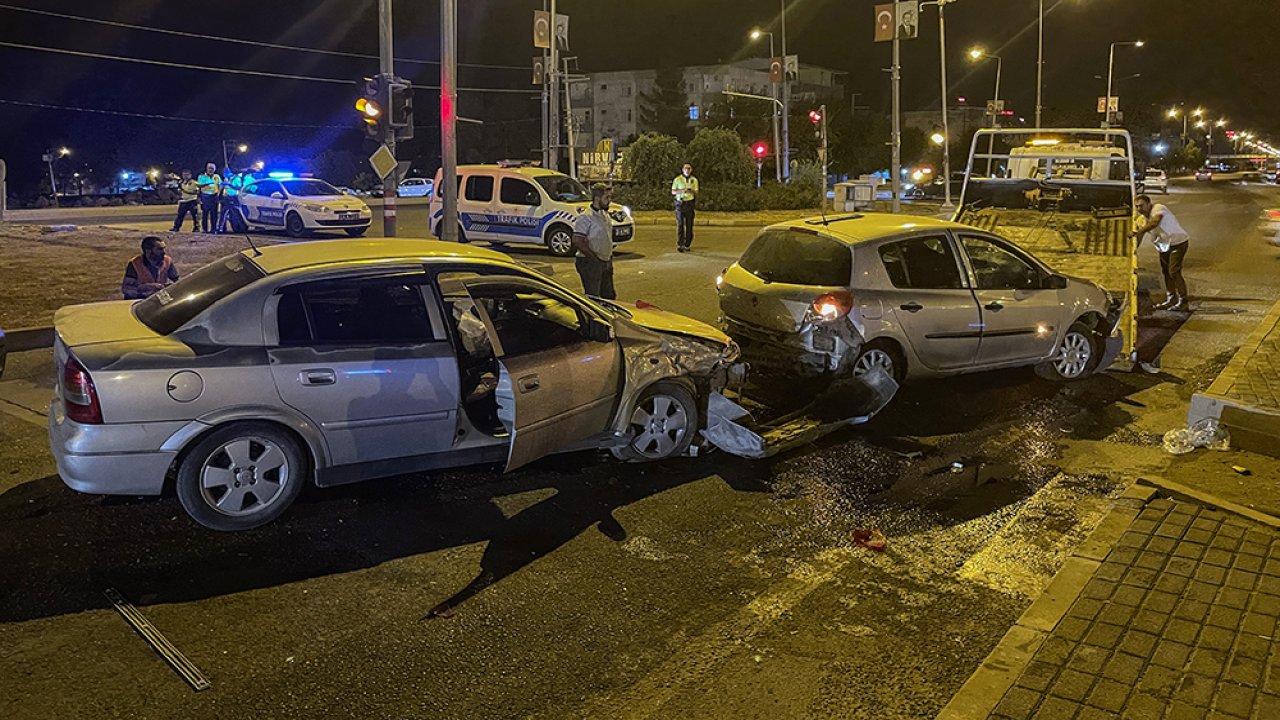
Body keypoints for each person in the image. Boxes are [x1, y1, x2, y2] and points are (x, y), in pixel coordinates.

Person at [1131, 194, 1190, 311]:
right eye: (1137, 206)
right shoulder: (1141, 220)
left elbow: (1155, 223)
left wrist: (1138, 232)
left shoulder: (1158, 208)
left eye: (1142, 206)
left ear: (1149, 204)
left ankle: (1183, 301)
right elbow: (1139, 236)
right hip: (1163, 246)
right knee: (1166, 273)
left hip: (1177, 242)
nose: (1139, 209)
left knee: (1174, 272)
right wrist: (1133, 251)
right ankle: (1171, 299)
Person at [572, 183, 617, 299]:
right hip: (590, 263)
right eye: (606, 197)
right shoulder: (586, 217)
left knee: (609, 296)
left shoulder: (604, 214)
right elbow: (578, 240)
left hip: (605, 261)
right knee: (594, 298)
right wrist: (594, 259)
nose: (609, 201)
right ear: (597, 198)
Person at [671, 163, 699, 252]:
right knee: (680, 225)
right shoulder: (678, 179)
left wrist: (692, 191)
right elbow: (673, 191)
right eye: (685, 168)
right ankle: (680, 244)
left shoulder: (694, 180)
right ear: (683, 170)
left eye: (689, 168)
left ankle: (687, 244)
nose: (687, 170)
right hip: (680, 203)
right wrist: (682, 191)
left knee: (689, 225)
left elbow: (697, 192)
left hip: (689, 204)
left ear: (691, 170)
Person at [197, 162, 222, 233]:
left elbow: (220, 184)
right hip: (205, 197)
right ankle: (205, 229)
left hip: (214, 197)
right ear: (206, 169)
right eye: (209, 168)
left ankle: (213, 229)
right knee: (205, 214)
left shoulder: (217, 176)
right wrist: (208, 183)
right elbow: (199, 185)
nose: (211, 170)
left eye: (212, 168)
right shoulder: (201, 176)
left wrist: (219, 192)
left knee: (214, 214)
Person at [218, 169, 245, 234]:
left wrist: (229, 184)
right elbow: (223, 187)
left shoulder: (236, 178)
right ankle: (222, 228)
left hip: (233, 197)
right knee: (224, 213)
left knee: (231, 213)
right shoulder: (226, 178)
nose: (224, 175)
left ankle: (237, 228)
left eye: (225, 173)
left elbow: (239, 187)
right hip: (226, 198)